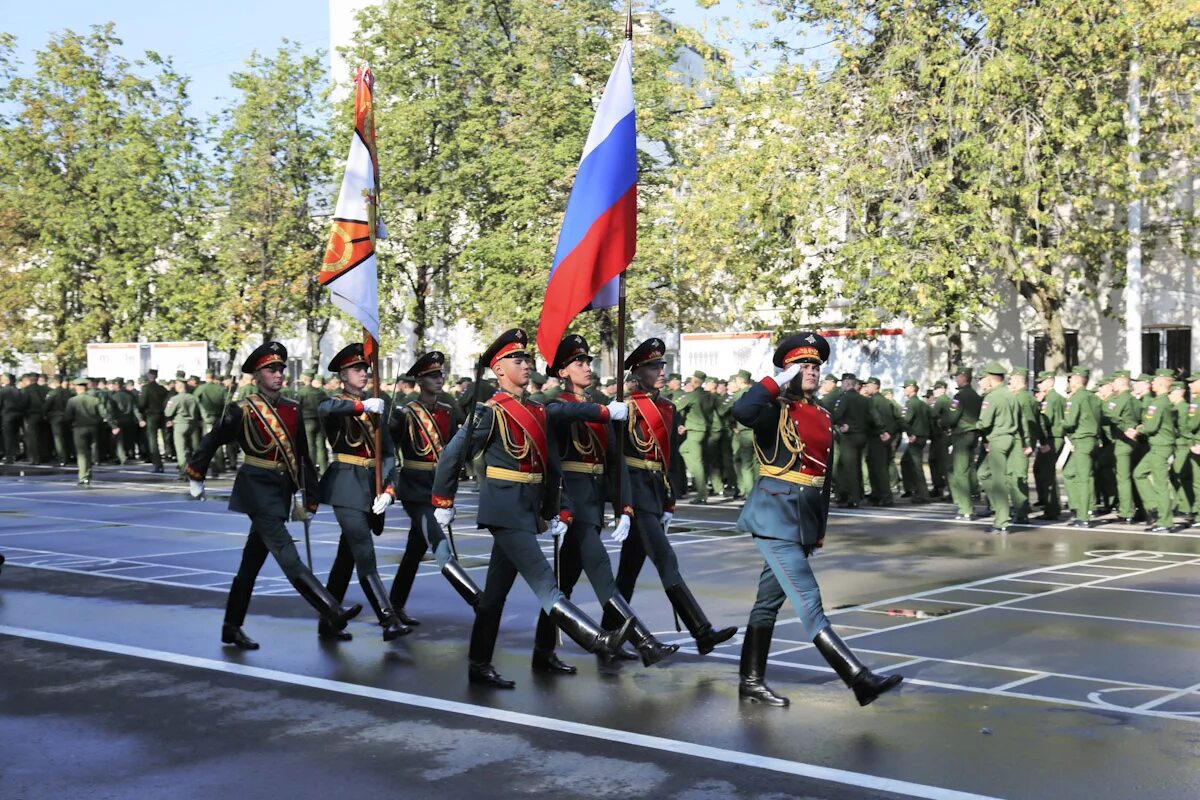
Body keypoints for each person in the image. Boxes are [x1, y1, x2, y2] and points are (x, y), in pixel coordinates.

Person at [430, 328, 635, 688]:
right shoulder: (490, 412)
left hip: (528, 509)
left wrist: (557, 508)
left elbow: (550, 466)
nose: (525, 364)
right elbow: (452, 455)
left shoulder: (535, 409)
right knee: (544, 581)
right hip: (504, 508)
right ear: (498, 369)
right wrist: (442, 502)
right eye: (516, 359)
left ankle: (478, 664)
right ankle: (596, 639)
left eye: (526, 359)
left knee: (494, 595)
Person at [733, 332, 902, 707]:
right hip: (774, 516)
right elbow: (741, 412)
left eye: (814, 366)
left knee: (767, 603)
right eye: (802, 366)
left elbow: (821, 479)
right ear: (788, 372)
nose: (810, 371)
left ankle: (750, 681)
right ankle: (857, 678)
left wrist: (818, 529)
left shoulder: (822, 413)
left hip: (802, 519)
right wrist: (772, 381)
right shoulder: (773, 408)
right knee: (808, 598)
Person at [187, 341, 362, 650]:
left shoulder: (293, 408)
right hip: (255, 488)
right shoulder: (242, 410)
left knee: (250, 565)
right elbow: (212, 440)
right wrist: (197, 474)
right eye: (271, 369)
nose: (279, 374)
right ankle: (331, 609)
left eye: (281, 368)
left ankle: (231, 626)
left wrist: (310, 495)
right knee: (286, 553)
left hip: (281, 489)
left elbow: (302, 454)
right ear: (257, 375)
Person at [531, 335, 678, 673]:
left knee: (563, 583)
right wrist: (603, 411)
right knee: (601, 573)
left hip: (594, 501)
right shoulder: (556, 401)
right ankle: (644, 642)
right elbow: (559, 413)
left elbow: (615, 461)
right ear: (563, 371)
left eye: (588, 361)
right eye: (579, 363)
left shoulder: (599, 402)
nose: (587, 367)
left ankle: (543, 651)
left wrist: (623, 508)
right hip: (572, 500)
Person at [600, 338, 738, 656]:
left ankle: (608, 637)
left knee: (629, 571)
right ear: (637, 371)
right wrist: (623, 503)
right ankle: (701, 631)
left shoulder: (667, 407)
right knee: (666, 559)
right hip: (634, 491)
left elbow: (670, 458)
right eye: (653, 366)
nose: (661, 371)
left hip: (654, 488)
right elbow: (615, 458)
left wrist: (670, 500)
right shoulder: (627, 405)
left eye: (662, 365)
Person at [314, 343, 411, 642]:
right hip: (345, 485)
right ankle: (388, 619)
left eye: (365, 369)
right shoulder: (342, 404)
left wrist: (390, 490)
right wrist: (362, 406)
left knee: (346, 557)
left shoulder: (376, 409)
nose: (364, 373)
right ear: (343, 375)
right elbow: (325, 409)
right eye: (357, 369)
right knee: (364, 551)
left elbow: (389, 455)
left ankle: (328, 622)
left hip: (370, 487)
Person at [386, 350, 482, 620]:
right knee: (439, 546)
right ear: (420, 380)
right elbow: (388, 449)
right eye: (432, 375)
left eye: (440, 374)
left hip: (437, 486)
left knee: (414, 550)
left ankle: (394, 607)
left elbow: (454, 453)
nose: (439, 379)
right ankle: (475, 598)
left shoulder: (448, 412)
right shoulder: (405, 413)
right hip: (415, 489)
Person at [976, 361, 1024, 533]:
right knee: (983, 473)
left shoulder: (992, 397)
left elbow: (985, 422)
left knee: (998, 481)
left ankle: (1001, 520)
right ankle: (999, 508)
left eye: (983, 379)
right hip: (1009, 438)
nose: (981, 382)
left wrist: (974, 425)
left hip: (997, 438)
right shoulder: (1011, 395)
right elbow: (1019, 419)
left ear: (990, 379)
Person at [1132, 369, 1178, 532]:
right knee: (1139, 473)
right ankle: (1154, 507)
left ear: (1161, 383)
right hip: (1158, 446)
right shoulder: (1162, 401)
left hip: (1160, 446)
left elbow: (1151, 427)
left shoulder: (1159, 403)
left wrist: (1138, 429)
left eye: (1154, 381)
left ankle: (1165, 522)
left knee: (1160, 484)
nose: (1151, 383)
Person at [1062, 366, 1102, 528]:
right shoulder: (1093, 397)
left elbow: (1070, 421)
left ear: (1078, 379)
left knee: (1083, 479)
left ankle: (1084, 516)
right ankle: (1079, 507)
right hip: (1091, 439)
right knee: (1069, 472)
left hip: (1082, 440)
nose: (1070, 381)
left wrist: (1060, 424)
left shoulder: (1077, 397)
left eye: (1071, 378)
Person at [64, 377, 118, 485]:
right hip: (93, 427)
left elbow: (67, 417)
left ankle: (83, 476)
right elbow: (104, 413)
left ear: (77, 388)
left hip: (79, 428)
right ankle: (88, 473)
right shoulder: (95, 400)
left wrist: (69, 426)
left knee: (81, 453)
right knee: (90, 451)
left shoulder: (72, 401)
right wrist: (113, 426)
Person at [831, 373, 869, 508]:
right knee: (856, 466)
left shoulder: (846, 398)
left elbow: (837, 415)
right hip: (862, 436)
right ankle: (849, 494)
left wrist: (842, 424)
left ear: (847, 384)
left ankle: (854, 498)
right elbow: (869, 418)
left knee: (850, 468)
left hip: (850, 437)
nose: (841, 385)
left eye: (843, 383)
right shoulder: (864, 400)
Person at [1033, 371, 1065, 521]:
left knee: (1047, 474)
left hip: (1052, 438)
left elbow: (1045, 420)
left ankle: (1052, 509)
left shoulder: (1050, 399)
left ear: (1050, 382)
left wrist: (1042, 441)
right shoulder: (1057, 398)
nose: (1039, 385)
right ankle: (1047, 502)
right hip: (1053, 437)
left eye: (1041, 382)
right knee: (1040, 469)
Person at [899, 379, 932, 503]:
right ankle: (912, 489)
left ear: (912, 389)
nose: (904, 390)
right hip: (922, 437)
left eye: (906, 387)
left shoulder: (911, 404)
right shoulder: (923, 404)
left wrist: (910, 433)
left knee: (916, 466)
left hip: (915, 437)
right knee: (905, 461)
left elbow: (905, 420)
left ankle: (923, 494)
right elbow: (931, 419)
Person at [164, 378, 200, 479]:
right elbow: (200, 411)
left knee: (181, 450)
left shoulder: (175, 399)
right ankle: (195, 469)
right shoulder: (194, 398)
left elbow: (168, 412)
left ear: (178, 387)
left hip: (180, 424)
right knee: (193, 448)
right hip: (193, 424)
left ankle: (184, 471)